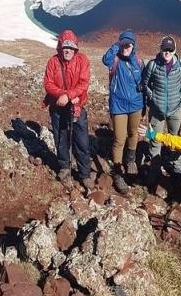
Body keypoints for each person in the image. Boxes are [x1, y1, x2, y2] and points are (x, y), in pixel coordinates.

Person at [43, 30, 92, 189]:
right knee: (61, 138)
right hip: (58, 106)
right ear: (60, 47)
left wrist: (69, 97)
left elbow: (84, 83)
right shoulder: (53, 62)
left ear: (76, 49)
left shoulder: (82, 61)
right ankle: (65, 169)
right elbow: (48, 84)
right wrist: (65, 96)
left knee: (82, 141)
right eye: (65, 47)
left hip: (77, 106)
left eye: (71, 48)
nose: (68, 50)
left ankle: (84, 174)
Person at [139, 35, 181, 180]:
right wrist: (153, 97)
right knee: (154, 139)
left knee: (175, 139)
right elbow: (145, 83)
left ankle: (176, 166)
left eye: (170, 49)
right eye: (165, 49)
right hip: (157, 110)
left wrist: (179, 98)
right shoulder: (153, 64)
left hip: (175, 110)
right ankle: (154, 170)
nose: (167, 52)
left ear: (175, 50)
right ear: (160, 49)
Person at [102, 30, 145, 194]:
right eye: (123, 44)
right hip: (119, 105)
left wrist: (144, 105)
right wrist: (116, 46)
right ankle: (118, 170)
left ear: (134, 46)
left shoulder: (138, 61)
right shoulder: (114, 59)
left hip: (136, 104)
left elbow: (143, 84)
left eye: (129, 44)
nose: (126, 47)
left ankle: (131, 160)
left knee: (134, 133)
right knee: (119, 138)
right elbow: (105, 60)